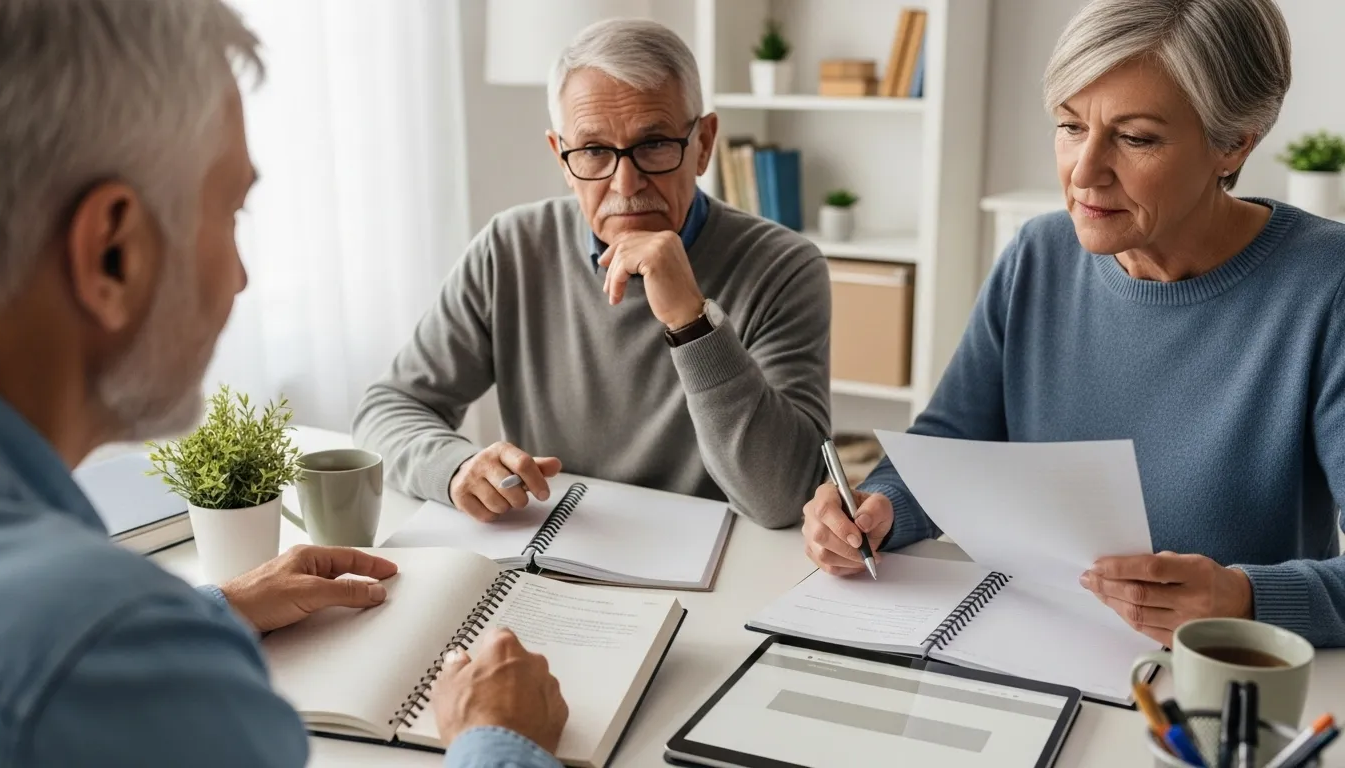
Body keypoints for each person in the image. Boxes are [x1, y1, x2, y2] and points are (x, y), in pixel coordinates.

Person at [0, 1, 566, 766]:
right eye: (232, 211)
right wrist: (499, 745)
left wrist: (216, 609)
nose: (239, 277)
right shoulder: (97, 656)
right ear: (114, 253)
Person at [802, 0, 1345, 648]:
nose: (1083, 172)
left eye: (1136, 136)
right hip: (1026, 646)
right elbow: (951, 446)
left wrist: (1246, 600)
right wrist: (878, 507)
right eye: (1069, 126)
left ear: (1234, 141)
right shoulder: (1037, 254)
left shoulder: (1326, 286)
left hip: (1217, 682)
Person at [353, 19, 830, 528]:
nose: (625, 183)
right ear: (560, 156)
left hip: (719, 573)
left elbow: (786, 498)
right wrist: (456, 468)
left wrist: (692, 323)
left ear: (704, 144)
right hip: (548, 554)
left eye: (654, 145)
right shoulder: (510, 248)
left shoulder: (784, 266)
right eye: (595, 151)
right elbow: (389, 407)